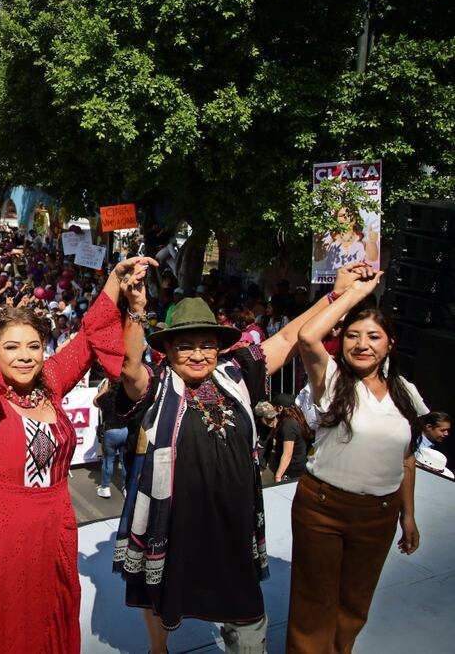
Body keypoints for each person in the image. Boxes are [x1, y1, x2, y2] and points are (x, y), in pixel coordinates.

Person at [114, 261, 370, 654]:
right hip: (173, 515)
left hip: (234, 514)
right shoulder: (157, 382)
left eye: (207, 345)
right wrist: (134, 309)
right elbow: (130, 367)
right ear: (166, 348)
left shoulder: (237, 371)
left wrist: (338, 294)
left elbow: (287, 337)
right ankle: (158, 649)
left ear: (220, 346)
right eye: (186, 345)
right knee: (159, 586)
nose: (198, 354)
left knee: (244, 599)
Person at [0, 242, 143, 654]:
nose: (25, 356)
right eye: (11, 347)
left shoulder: (50, 381)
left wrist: (114, 281)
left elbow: (88, 338)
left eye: (33, 346)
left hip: (54, 531)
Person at [287, 265, 428, 653]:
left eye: (372, 336)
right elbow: (306, 336)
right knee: (314, 607)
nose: (362, 344)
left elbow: (407, 459)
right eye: (352, 335)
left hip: (379, 514)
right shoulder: (331, 378)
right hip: (323, 509)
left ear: (390, 343)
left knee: (353, 607)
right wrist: (351, 294)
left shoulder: (406, 393)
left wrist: (407, 514)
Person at [94, 377, 128, 499]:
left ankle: (105, 488)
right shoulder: (126, 397)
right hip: (125, 430)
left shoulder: (105, 398)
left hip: (111, 431)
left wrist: (104, 388)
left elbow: (95, 401)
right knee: (125, 461)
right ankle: (127, 489)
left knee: (108, 460)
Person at [269, 392, 309, 483]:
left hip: (290, 471)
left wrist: (278, 476)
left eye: (274, 407)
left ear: (280, 408)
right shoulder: (298, 419)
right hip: (298, 467)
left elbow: (287, 454)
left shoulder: (288, 425)